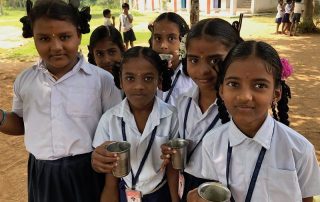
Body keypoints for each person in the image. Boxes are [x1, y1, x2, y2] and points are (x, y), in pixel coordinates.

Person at [0, 0, 122, 201]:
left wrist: (110, 186)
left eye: (65, 37)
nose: (56, 47)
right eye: (44, 38)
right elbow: (22, 123)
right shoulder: (25, 80)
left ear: (79, 35)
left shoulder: (102, 80)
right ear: (34, 39)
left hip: (89, 170)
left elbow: (116, 131)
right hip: (42, 173)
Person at [188, 40, 320, 202]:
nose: (245, 96)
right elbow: (214, 189)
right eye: (233, 84)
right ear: (221, 90)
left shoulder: (299, 149)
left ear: (276, 94)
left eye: (259, 85)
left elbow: (306, 198)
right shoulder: (212, 142)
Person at [160, 18, 243, 202]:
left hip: (224, 192)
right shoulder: (183, 103)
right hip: (185, 187)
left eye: (215, 60)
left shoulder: (241, 111)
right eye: (194, 60)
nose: (203, 70)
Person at [93, 46, 180, 202]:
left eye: (147, 78)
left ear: (159, 80)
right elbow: (110, 178)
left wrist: (175, 199)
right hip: (125, 195)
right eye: (130, 78)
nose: (139, 86)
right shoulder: (109, 120)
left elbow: (172, 169)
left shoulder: (172, 116)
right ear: (120, 80)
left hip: (160, 195)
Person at [150, 12, 195, 106]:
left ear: (183, 42)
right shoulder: (142, 72)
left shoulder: (193, 78)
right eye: (158, 38)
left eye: (171, 38)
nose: (163, 46)